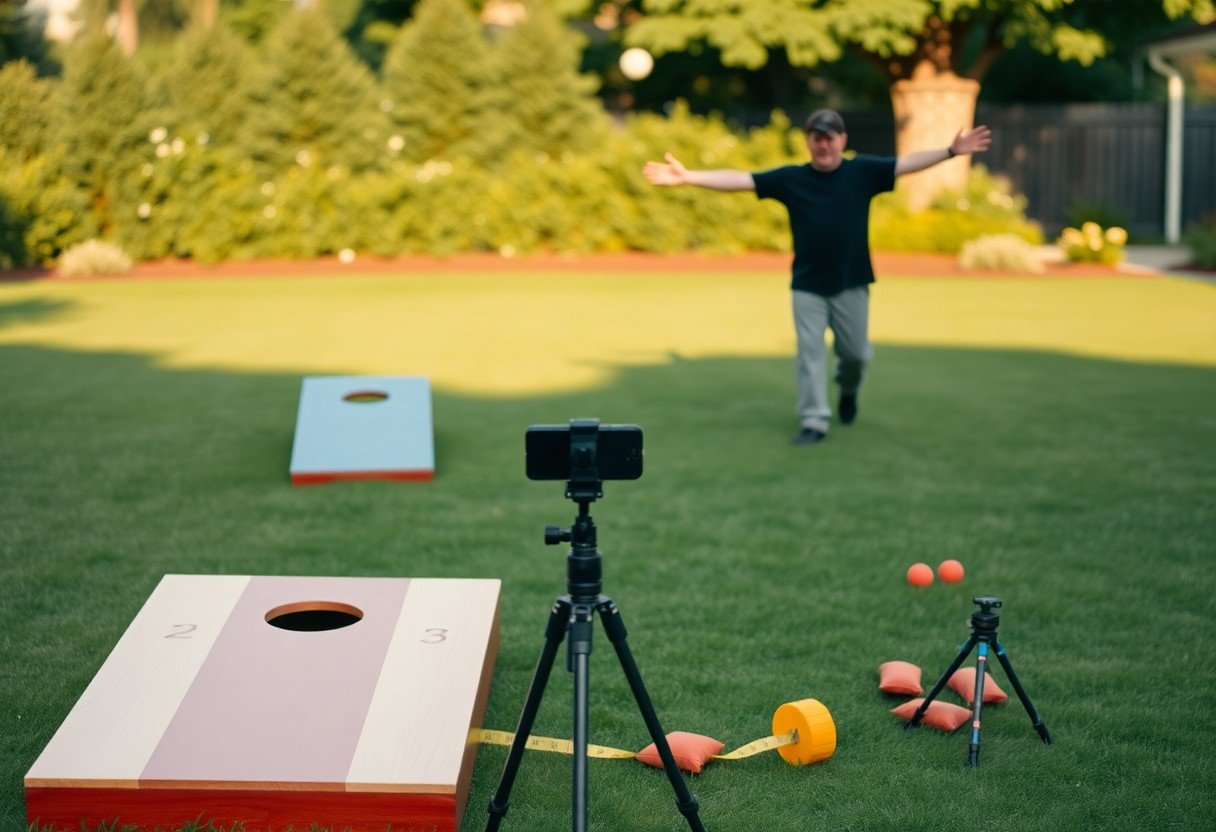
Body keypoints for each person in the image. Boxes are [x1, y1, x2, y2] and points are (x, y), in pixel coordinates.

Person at [643, 109, 992, 445]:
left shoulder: (863, 173)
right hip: (807, 287)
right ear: (808, 142)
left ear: (842, 140)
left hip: (852, 282)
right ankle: (814, 421)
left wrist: (950, 151)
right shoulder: (792, 179)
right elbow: (740, 180)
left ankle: (849, 389)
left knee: (855, 355)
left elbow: (906, 163)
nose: (823, 145)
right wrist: (689, 177)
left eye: (829, 138)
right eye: (816, 139)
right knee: (809, 355)